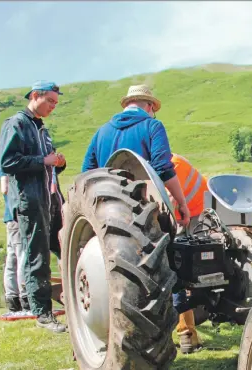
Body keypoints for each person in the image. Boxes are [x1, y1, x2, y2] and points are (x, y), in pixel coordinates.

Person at [0, 80, 67, 333]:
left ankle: (74, 302)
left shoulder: (42, 129)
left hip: (51, 201)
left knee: (67, 250)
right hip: (30, 200)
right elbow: (8, 161)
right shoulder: (16, 124)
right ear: (35, 96)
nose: (53, 107)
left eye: (56, 103)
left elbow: (48, 160)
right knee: (37, 258)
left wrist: (58, 162)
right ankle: (42, 313)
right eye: (50, 101)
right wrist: (43, 160)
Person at [82, 84, 190, 226]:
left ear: (126, 105)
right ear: (150, 106)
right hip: (140, 213)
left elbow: (86, 174)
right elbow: (163, 169)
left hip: (105, 210)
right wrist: (182, 203)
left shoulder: (101, 132)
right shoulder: (152, 126)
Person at [170, 153, 209, 353]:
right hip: (192, 217)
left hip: (194, 218)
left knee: (179, 272)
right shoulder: (175, 162)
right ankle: (187, 335)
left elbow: (170, 206)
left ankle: (186, 334)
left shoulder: (172, 167)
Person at [0, 167, 30, 312]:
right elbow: (4, 188)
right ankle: (25, 296)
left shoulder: (2, 164)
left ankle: (11, 298)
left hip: (9, 217)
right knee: (22, 255)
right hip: (17, 215)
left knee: (12, 258)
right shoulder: (8, 165)